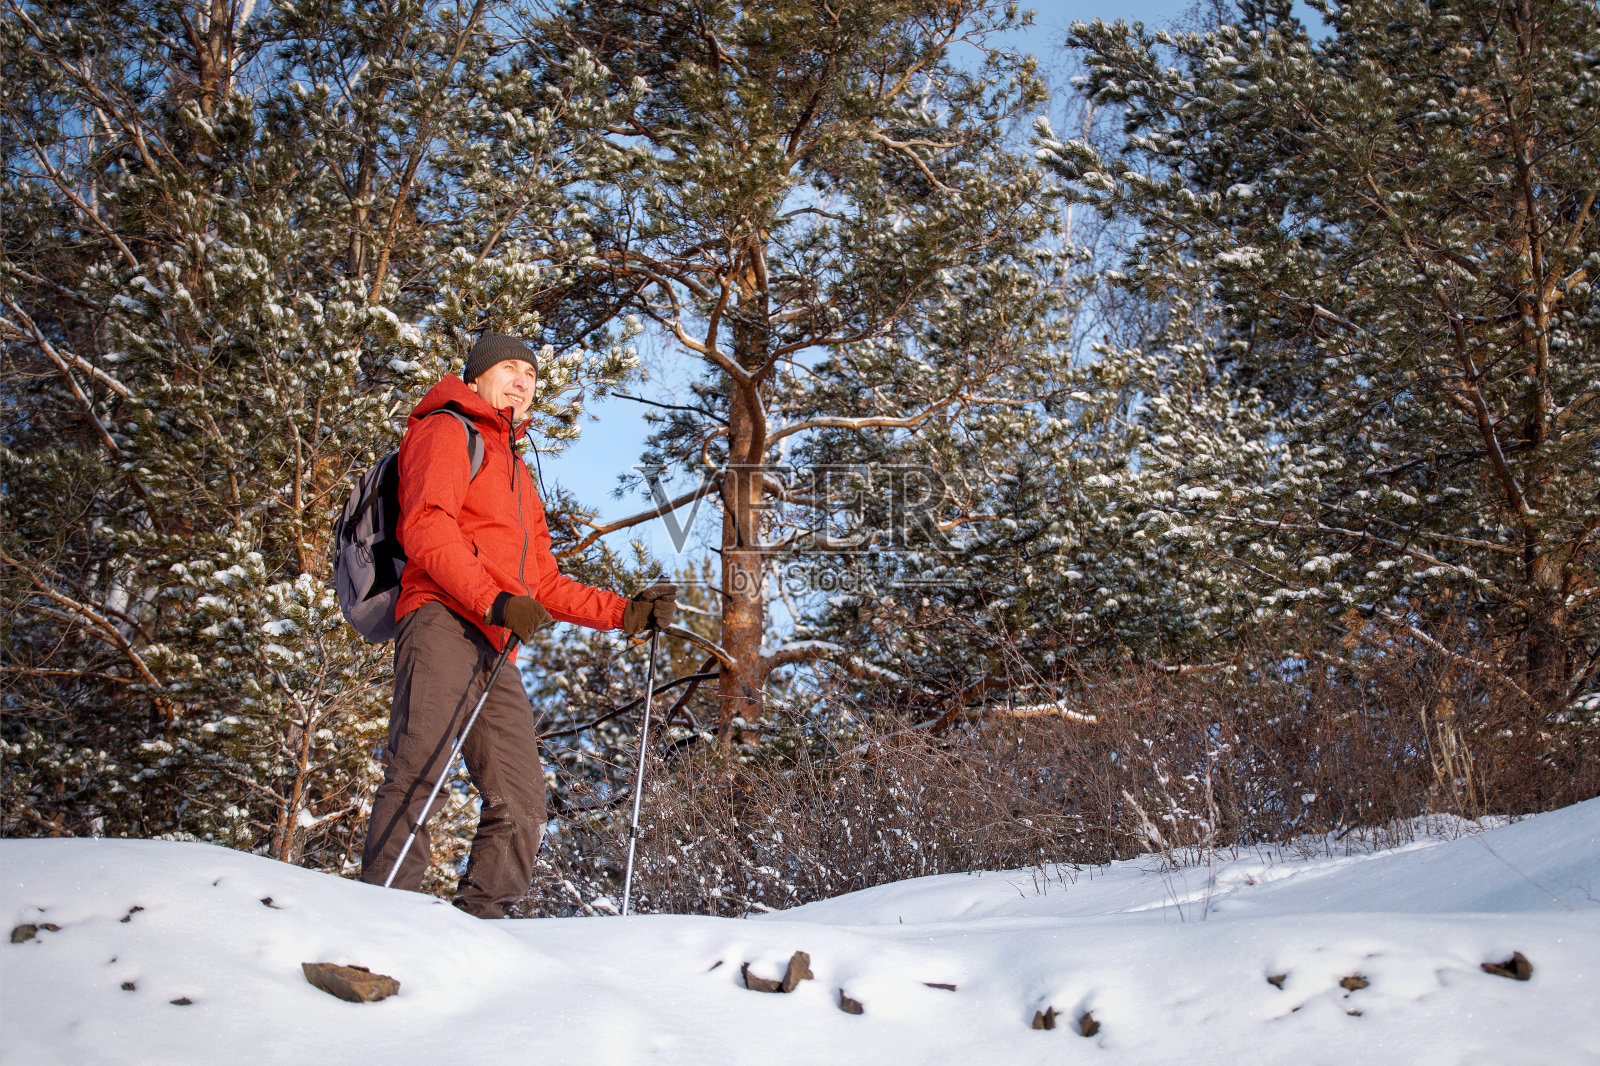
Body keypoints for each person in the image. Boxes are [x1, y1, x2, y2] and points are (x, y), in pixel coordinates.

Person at [359, 332, 676, 917]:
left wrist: (623, 612)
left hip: (494, 644)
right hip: (441, 620)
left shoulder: (515, 471)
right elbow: (426, 528)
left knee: (522, 797)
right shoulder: (446, 429)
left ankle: (479, 926)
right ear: (477, 377)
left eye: (531, 374)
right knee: (418, 769)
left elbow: (544, 584)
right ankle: (382, 919)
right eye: (509, 368)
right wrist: (494, 600)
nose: (524, 380)